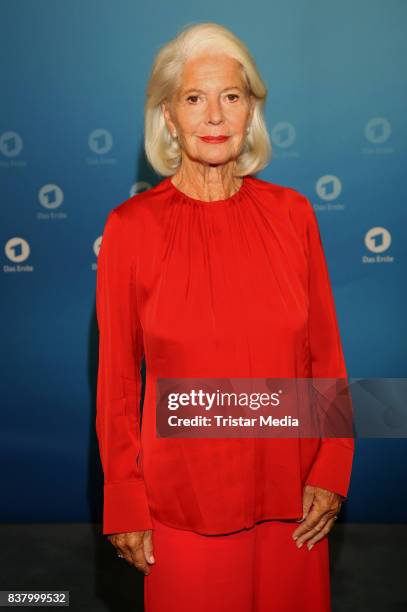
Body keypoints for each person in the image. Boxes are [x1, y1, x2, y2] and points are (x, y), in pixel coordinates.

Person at [95, 22, 354, 612]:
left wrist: (332, 469)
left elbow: (326, 358)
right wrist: (124, 503)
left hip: (296, 504)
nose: (214, 115)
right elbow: (115, 386)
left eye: (230, 97)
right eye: (194, 98)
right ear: (168, 116)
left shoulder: (294, 215)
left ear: (250, 112)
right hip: (181, 516)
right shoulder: (130, 229)